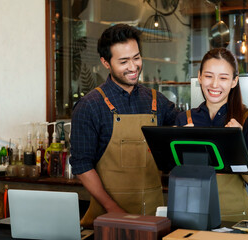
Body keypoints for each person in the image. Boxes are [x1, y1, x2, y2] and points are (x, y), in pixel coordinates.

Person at [70, 24, 178, 228]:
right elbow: (82, 165)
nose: (133, 66)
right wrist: (114, 210)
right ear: (106, 63)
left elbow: (186, 128)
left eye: (136, 58)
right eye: (123, 61)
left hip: (154, 220)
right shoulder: (90, 106)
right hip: (108, 221)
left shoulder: (157, 101)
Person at [175, 48, 248, 222]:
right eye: (208, 76)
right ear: (199, 77)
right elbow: (173, 175)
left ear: (234, 81)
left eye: (223, 78)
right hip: (190, 215)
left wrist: (238, 143)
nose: (214, 84)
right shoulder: (184, 119)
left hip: (235, 217)